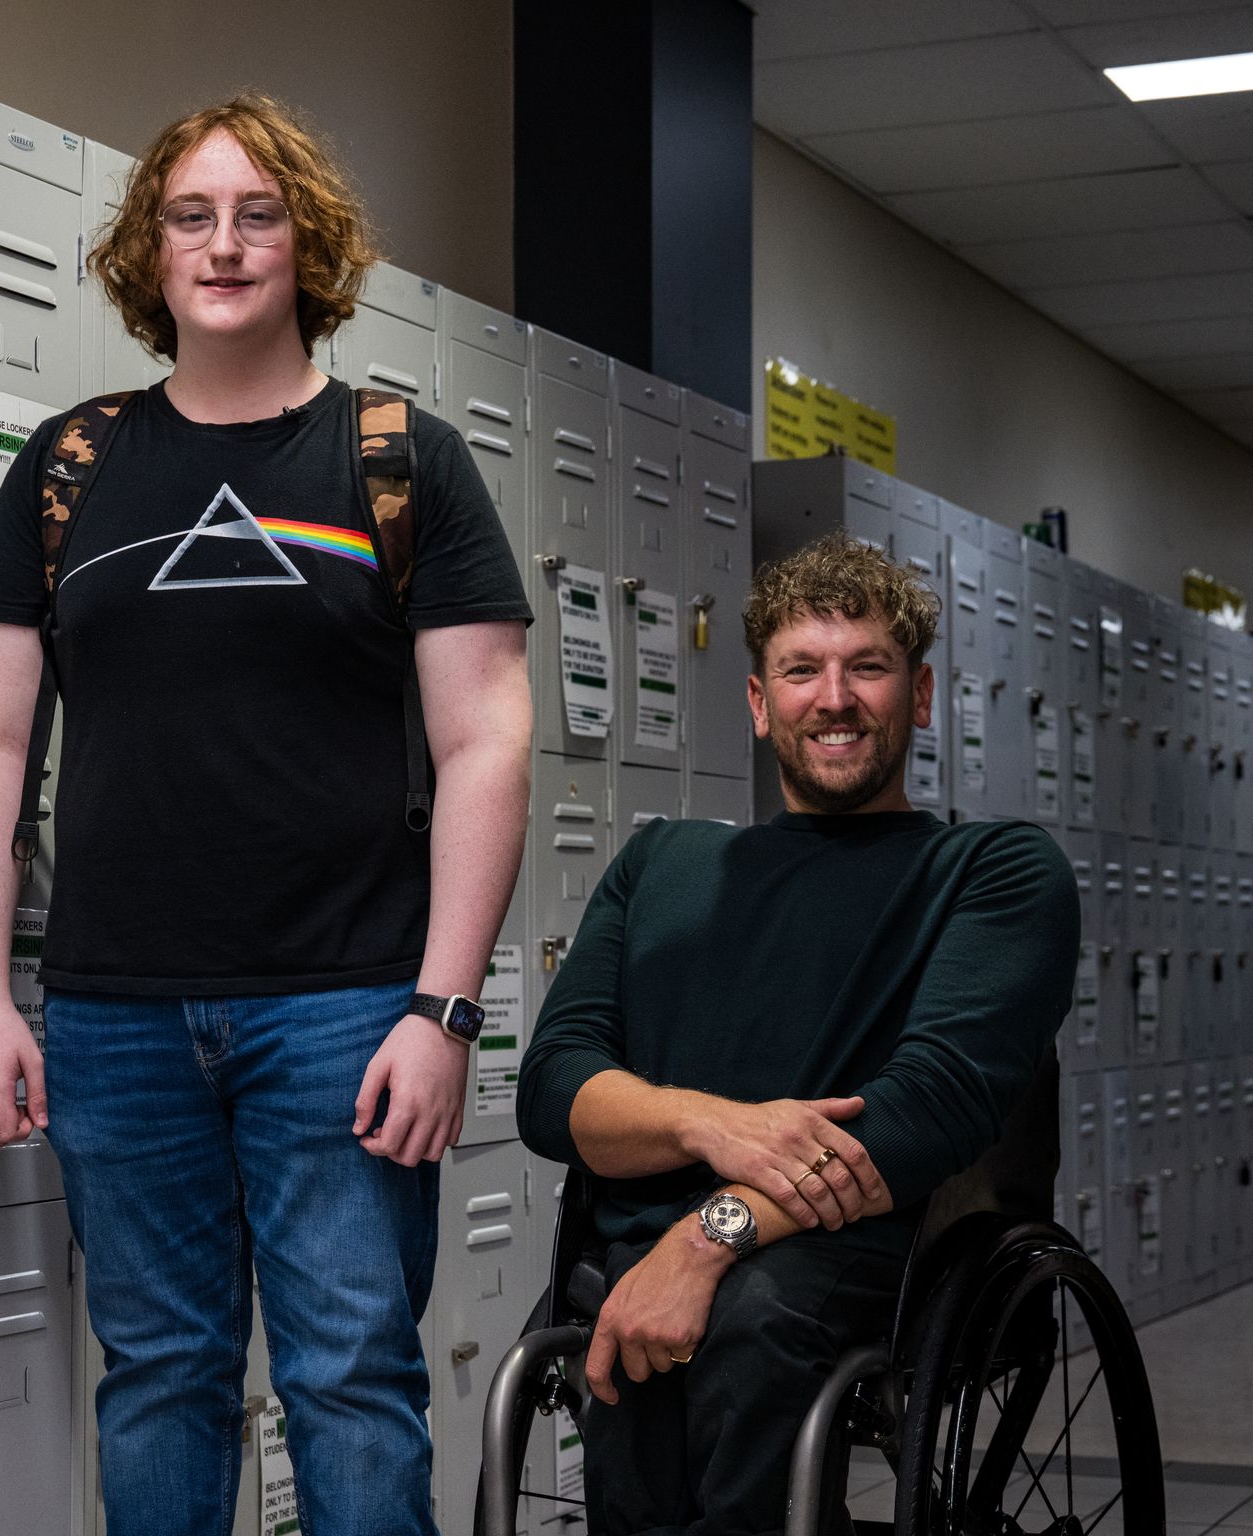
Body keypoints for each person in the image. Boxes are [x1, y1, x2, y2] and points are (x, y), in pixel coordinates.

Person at [0, 94, 532, 1535]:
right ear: (150, 253)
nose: (224, 244)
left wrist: (442, 1013)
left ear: (307, 244)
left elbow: (488, 737)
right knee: (157, 1378)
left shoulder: (397, 460)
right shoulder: (73, 467)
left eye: (258, 214)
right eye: (191, 216)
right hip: (113, 1017)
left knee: (352, 1379)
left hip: (343, 1009)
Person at [516, 530, 1078, 1535]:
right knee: (628, 1321)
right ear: (758, 701)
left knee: (749, 1312)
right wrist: (711, 1127)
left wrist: (704, 1239)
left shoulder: (995, 872)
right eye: (802, 670)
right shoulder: (662, 866)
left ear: (922, 694)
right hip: (641, 1259)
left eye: (869, 666)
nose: (836, 698)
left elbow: (928, 1109)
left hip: (869, 1259)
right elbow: (555, 1087)